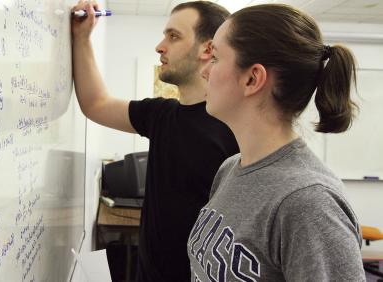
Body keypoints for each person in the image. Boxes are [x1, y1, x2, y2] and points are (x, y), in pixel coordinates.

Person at [188, 4, 365, 281]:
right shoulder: (230, 168)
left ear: (252, 78)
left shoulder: (309, 201)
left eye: (216, 58)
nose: (204, 72)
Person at [71, 1, 239, 281]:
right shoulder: (161, 114)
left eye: (173, 36)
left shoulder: (235, 128)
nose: (160, 46)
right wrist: (82, 38)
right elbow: (96, 104)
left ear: (207, 49)